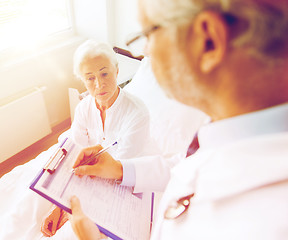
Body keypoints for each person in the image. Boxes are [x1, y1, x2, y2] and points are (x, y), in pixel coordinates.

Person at [69, 0, 288, 239]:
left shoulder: (268, 221)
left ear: (208, 40)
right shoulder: (230, 126)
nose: (146, 51)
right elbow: (186, 165)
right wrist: (120, 169)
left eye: (149, 33)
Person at [41, 39, 164, 237]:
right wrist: (59, 207)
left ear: (117, 71)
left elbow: (117, 169)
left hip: (129, 177)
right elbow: (76, 158)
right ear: (82, 80)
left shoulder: (137, 113)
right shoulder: (83, 109)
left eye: (104, 73)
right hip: (98, 177)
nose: (99, 84)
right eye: (90, 78)